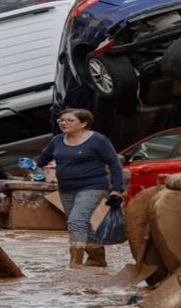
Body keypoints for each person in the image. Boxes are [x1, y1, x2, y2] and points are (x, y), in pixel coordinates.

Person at [32, 108, 124, 268]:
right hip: (67, 188)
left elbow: (114, 164)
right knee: (81, 223)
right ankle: (97, 258)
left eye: (69, 120)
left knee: (76, 220)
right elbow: (44, 158)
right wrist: (32, 164)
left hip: (93, 186)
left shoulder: (98, 140)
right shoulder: (57, 141)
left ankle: (75, 263)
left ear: (83, 123)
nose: (63, 123)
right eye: (61, 120)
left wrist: (117, 188)